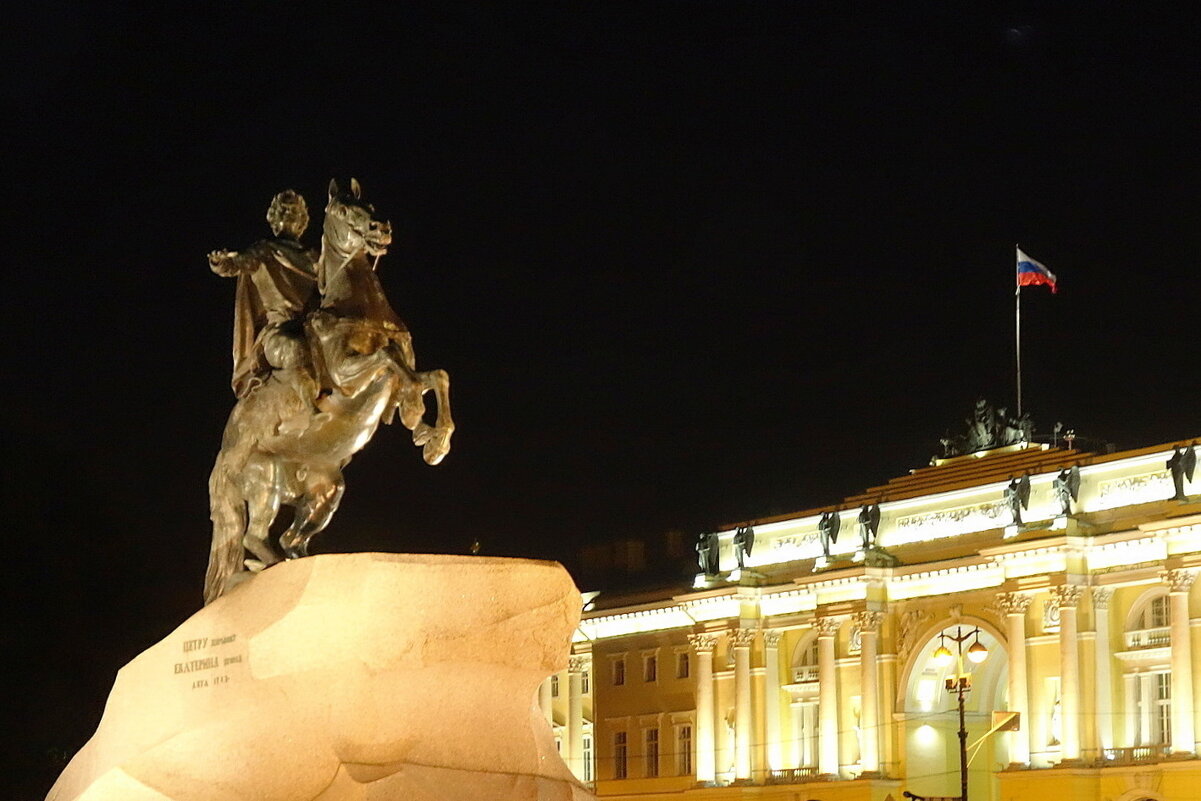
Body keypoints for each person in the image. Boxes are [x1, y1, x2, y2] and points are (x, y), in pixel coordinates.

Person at [209, 190, 320, 413]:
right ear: (275, 218)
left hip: (313, 327)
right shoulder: (264, 250)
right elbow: (238, 263)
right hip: (278, 331)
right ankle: (313, 412)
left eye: (294, 212)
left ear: (302, 220)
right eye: (284, 211)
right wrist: (220, 262)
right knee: (295, 348)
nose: (289, 215)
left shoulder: (315, 257)